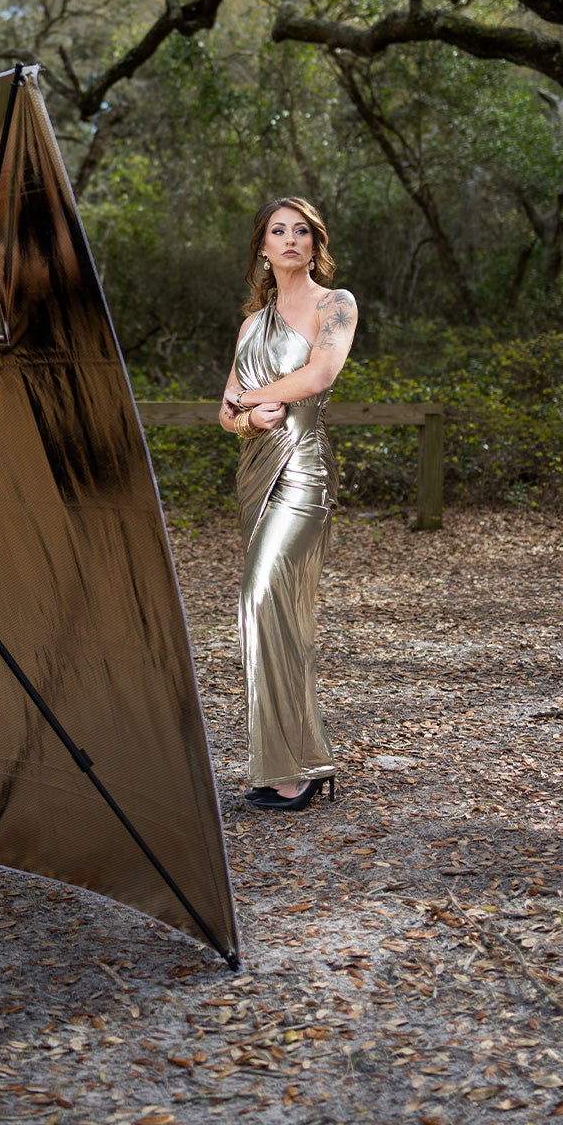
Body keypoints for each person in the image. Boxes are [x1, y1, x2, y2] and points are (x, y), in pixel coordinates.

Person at [219, 196, 357, 813]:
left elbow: (321, 376)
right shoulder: (251, 325)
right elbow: (226, 414)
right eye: (279, 231)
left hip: (303, 471)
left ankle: (287, 766)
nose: (291, 239)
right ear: (263, 247)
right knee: (280, 613)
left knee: (261, 595)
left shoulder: (336, 304)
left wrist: (256, 400)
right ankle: (297, 761)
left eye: (302, 231)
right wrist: (249, 419)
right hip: (255, 474)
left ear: (314, 242)